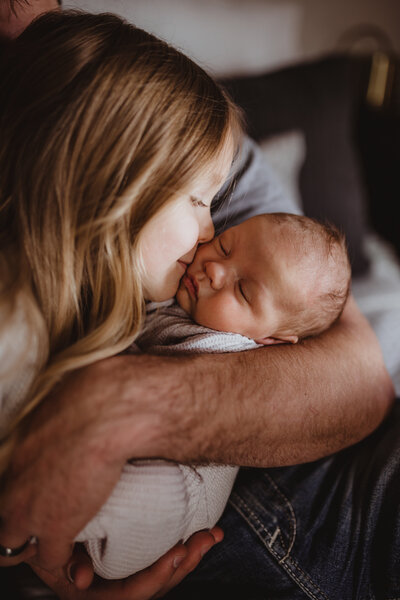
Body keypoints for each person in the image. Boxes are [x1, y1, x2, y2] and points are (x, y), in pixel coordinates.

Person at [0, 5, 396, 600]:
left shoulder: (195, 142)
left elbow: (366, 380)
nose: (212, 239)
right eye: (199, 203)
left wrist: (117, 411)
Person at [74, 212, 351, 581]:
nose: (216, 269)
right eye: (225, 245)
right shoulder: (178, 300)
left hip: (182, 498)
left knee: (150, 492)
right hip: (117, 449)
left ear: (268, 339)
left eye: (243, 290)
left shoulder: (230, 350)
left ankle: (53, 512)